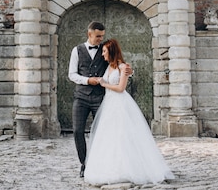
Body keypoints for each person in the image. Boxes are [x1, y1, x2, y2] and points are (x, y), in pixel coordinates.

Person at [83, 39, 174, 185]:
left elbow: (120, 88)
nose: (102, 55)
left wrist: (105, 84)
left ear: (111, 51)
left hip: (120, 103)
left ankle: (130, 168)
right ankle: (109, 167)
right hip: (109, 104)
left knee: (123, 135)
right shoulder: (108, 67)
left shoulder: (122, 67)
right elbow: (105, 79)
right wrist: (98, 80)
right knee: (109, 136)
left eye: (105, 52)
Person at [68, 21, 132, 178]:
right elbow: (72, 74)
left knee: (100, 132)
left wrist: (130, 71)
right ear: (89, 34)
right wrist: (88, 81)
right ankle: (84, 163)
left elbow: (116, 65)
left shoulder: (105, 49)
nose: (100, 39)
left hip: (101, 98)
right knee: (77, 131)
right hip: (81, 96)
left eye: (102, 36)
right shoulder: (77, 50)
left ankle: (99, 163)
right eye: (98, 36)